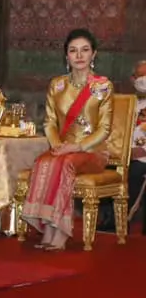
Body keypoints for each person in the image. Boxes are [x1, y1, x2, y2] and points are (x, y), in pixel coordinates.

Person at [22, 28, 114, 250]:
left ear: (94, 54)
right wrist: (57, 145)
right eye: (73, 50)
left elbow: (104, 129)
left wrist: (76, 147)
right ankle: (48, 227)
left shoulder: (103, 87)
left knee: (65, 164)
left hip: (92, 151)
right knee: (43, 161)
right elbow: (49, 122)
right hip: (62, 148)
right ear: (66, 56)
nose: (79, 55)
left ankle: (61, 231)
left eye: (85, 50)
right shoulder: (57, 85)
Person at [96, 60, 146, 233]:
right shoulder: (125, 104)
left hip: (142, 157)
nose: (144, 79)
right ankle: (108, 217)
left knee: (135, 171)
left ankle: (122, 219)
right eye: (141, 75)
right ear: (133, 79)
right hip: (121, 154)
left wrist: (141, 151)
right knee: (103, 167)